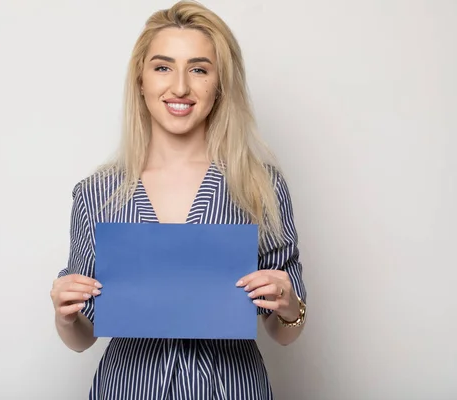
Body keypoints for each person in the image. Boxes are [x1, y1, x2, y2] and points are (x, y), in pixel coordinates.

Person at [50, 1, 307, 398]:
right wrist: (65, 316)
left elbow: (283, 333)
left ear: (220, 83)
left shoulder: (258, 186)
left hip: (231, 388)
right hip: (128, 388)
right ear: (141, 79)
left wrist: (290, 306)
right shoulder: (96, 193)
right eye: (163, 67)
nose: (181, 87)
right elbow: (83, 337)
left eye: (200, 69)